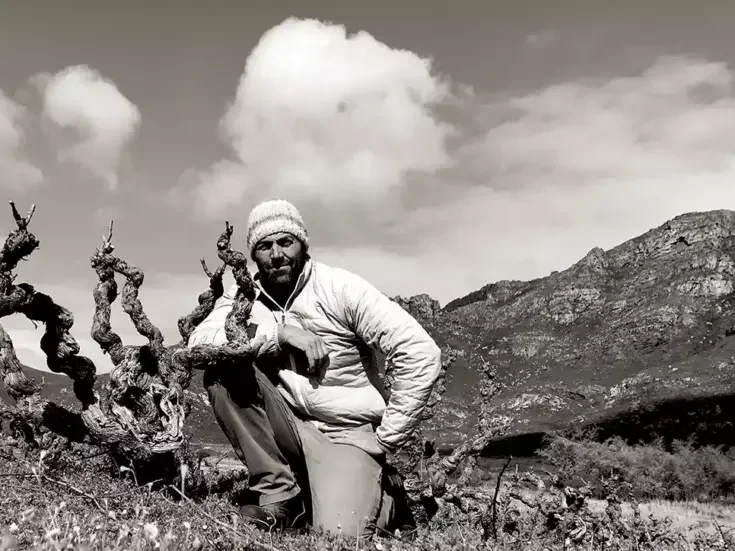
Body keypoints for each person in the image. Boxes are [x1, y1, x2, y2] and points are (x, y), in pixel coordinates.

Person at [187, 198, 442, 538]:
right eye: (264, 246)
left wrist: (389, 436)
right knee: (223, 370)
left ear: (302, 244)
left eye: (285, 242)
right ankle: (280, 494)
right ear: (253, 255)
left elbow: (419, 351)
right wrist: (278, 334)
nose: (276, 254)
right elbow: (198, 344)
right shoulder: (244, 297)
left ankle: (387, 495)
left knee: (341, 534)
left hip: (345, 435)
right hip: (287, 425)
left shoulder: (340, 288)